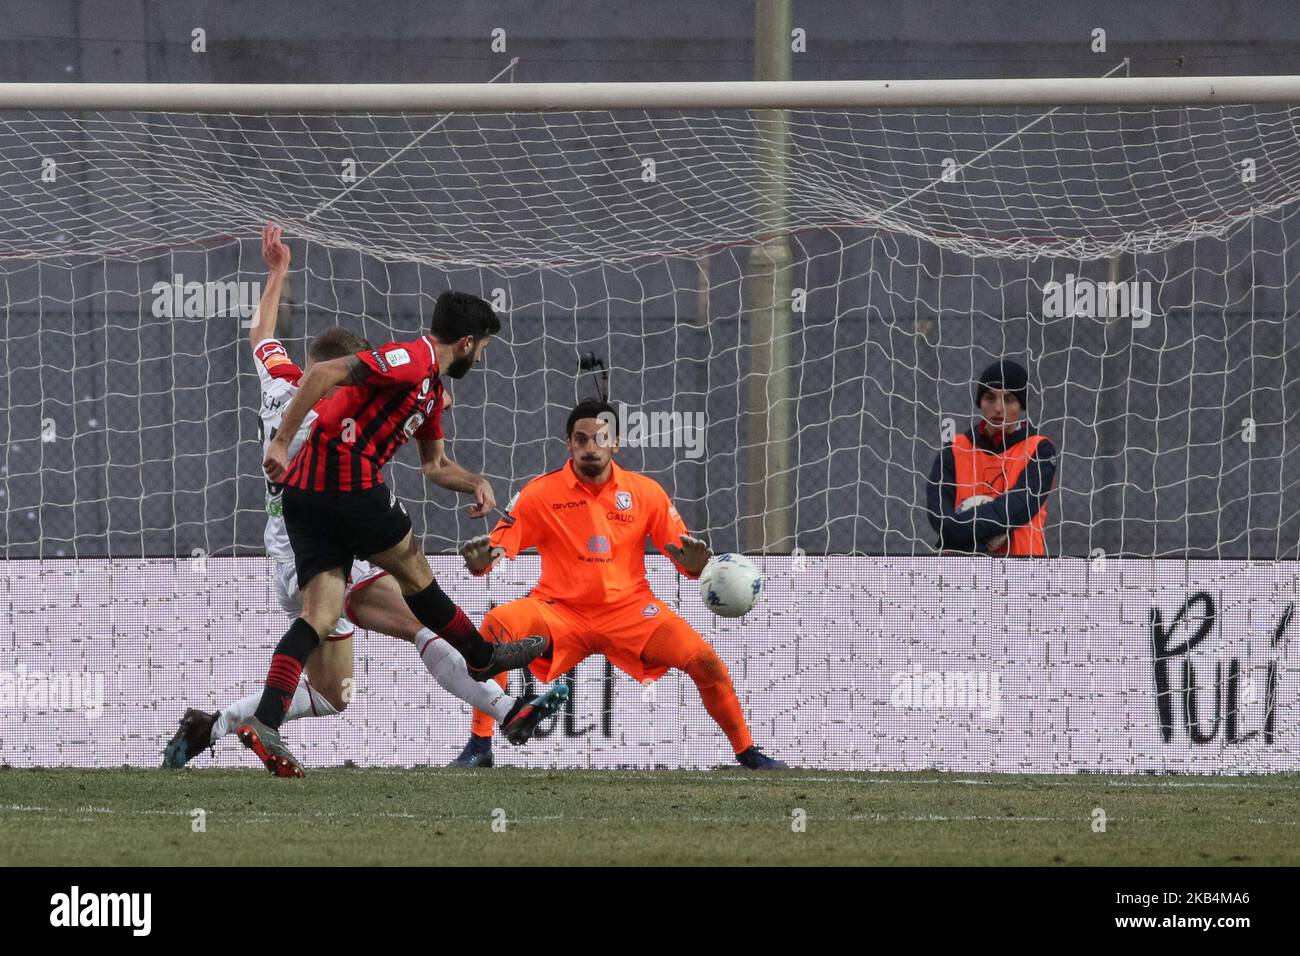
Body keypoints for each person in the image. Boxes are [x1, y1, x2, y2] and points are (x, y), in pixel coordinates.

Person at [163, 224, 564, 769]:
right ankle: (490, 672)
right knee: (401, 599)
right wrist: (284, 439)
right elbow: (330, 375)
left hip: (304, 524)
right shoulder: (392, 371)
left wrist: (277, 272)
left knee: (356, 655)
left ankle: (242, 724)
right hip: (327, 511)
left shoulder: (286, 381)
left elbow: (260, 334)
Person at [448, 399, 788, 770]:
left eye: (600, 439)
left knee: (705, 661)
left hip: (632, 613)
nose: (590, 447)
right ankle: (480, 745)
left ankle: (747, 752)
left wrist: (695, 565)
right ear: (569, 445)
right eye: (581, 439)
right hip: (558, 612)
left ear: (616, 444)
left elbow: (686, 557)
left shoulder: (646, 492)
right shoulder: (539, 493)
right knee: (497, 625)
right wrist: (480, 562)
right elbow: (496, 551)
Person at [926, 358, 1057, 556]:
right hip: (962, 570)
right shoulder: (955, 448)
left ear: (1021, 405)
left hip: (1022, 571)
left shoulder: (1040, 449)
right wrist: (963, 537)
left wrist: (964, 537)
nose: (998, 408)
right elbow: (938, 515)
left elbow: (1017, 508)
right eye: (990, 397)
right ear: (980, 402)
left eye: (1008, 399)